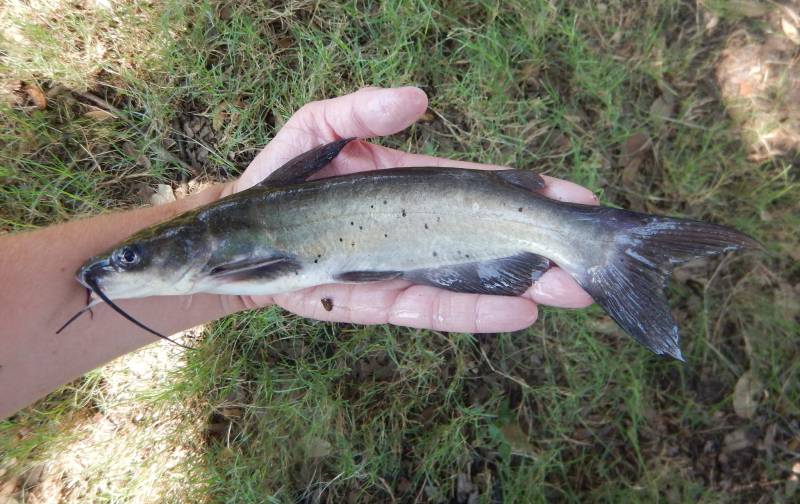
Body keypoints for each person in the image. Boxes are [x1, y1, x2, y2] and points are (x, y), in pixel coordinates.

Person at [0, 87, 595, 419]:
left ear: (194, 244)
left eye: (130, 258)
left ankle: (599, 245)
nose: (114, 271)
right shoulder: (213, 253)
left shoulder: (218, 247)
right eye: (126, 261)